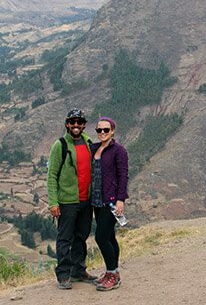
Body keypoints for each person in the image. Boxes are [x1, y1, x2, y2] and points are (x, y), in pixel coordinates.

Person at [47, 108, 97, 289]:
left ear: (84, 125)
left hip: (86, 201)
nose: (76, 125)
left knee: (81, 237)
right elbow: (52, 175)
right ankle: (63, 275)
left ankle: (78, 270)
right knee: (64, 239)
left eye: (79, 122)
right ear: (67, 124)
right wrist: (53, 202)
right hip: (67, 202)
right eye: (73, 122)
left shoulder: (88, 142)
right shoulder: (60, 145)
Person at [90, 116, 129, 291]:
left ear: (112, 131)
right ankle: (113, 272)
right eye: (99, 130)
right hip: (97, 200)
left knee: (101, 237)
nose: (103, 133)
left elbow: (123, 176)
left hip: (111, 201)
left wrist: (121, 199)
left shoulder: (118, 151)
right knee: (110, 237)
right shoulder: (95, 148)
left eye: (106, 130)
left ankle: (112, 274)